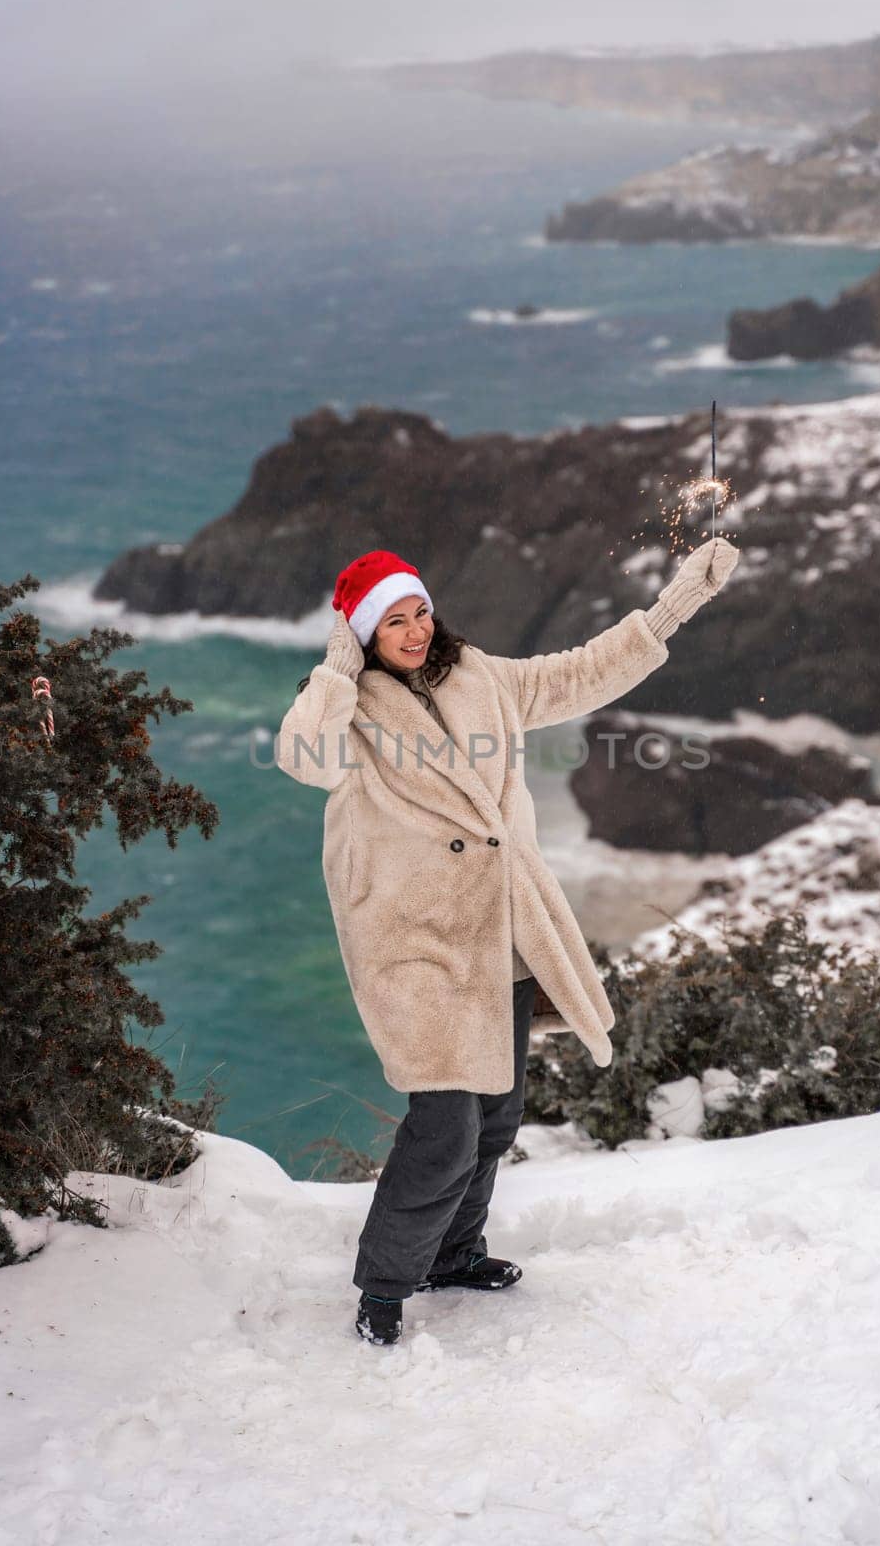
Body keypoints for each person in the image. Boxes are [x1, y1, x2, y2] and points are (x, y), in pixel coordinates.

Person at [276, 540, 740, 1345]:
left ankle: (452, 1255)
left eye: (420, 610)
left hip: (501, 927)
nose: (416, 630)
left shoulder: (480, 676)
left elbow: (581, 672)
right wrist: (335, 668)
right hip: (411, 940)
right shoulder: (344, 708)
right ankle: (384, 1288)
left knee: (494, 1116)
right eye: (393, 621)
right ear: (360, 633)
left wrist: (677, 603)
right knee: (445, 1120)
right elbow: (301, 760)